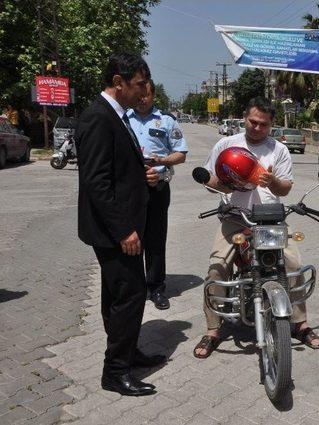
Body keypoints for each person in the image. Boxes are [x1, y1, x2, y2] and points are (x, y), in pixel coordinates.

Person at [193, 97, 319, 358]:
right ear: (244, 118)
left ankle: (300, 324)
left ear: (271, 124)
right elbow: (213, 179)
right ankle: (213, 330)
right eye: (253, 122)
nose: (256, 128)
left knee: (294, 265)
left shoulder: (279, 150)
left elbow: (285, 188)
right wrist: (225, 184)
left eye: (263, 124)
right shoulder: (226, 144)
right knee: (217, 268)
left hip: (271, 221)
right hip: (234, 218)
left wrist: (272, 181)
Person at [76, 53, 166, 397]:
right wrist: (123, 230)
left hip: (124, 223)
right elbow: (97, 181)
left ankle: (127, 352)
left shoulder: (117, 115)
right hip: (116, 231)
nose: (145, 92)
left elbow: (114, 169)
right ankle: (115, 372)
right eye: (139, 84)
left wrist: (139, 173)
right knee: (129, 294)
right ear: (119, 82)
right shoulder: (99, 117)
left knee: (118, 294)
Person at [127, 79, 188, 310]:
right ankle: (135, 288)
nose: (141, 98)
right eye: (138, 93)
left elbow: (181, 153)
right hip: (130, 189)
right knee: (131, 238)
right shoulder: (124, 119)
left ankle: (156, 288)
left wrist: (160, 161)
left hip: (157, 187)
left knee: (155, 239)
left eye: (146, 94)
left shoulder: (166, 120)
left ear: (153, 96)